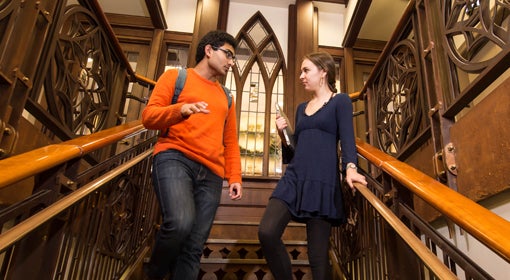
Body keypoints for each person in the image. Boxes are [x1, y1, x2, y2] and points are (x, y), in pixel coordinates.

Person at [141, 30, 243, 280]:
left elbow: (230, 141)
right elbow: (149, 117)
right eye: (228, 54)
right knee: (180, 223)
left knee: (194, 246)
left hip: (211, 174)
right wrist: (181, 110)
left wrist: (235, 177)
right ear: (209, 50)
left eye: (233, 57)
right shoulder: (175, 77)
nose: (231, 62)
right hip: (175, 158)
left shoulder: (227, 97)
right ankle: (153, 274)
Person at [258, 52, 367, 280]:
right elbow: (295, 151)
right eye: (301, 71)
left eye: (306, 70)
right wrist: (283, 134)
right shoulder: (301, 108)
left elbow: (347, 139)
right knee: (267, 232)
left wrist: (351, 168)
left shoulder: (341, 101)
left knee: (317, 258)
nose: (301, 76)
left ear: (323, 72)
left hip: (322, 181)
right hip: (294, 179)